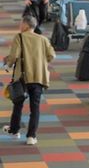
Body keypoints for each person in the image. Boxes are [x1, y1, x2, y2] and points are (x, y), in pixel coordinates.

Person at [2, 15, 55, 145]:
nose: (20, 26)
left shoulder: (19, 37)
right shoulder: (43, 39)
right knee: (35, 107)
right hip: (38, 76)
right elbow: (51, 55)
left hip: (23, 77)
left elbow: (14, 56)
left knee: (18, 103)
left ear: (26, 25)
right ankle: (31, 136)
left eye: (21, 23)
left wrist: (8, 63)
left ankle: (14, 130)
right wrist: (40, 62)